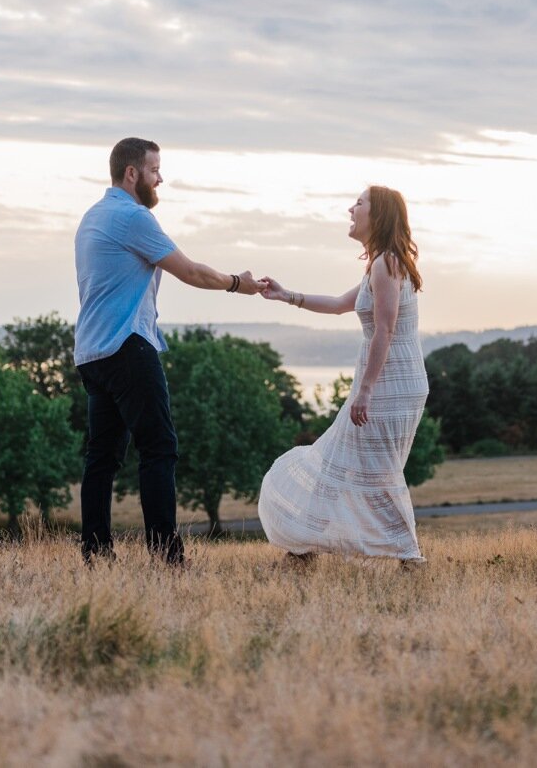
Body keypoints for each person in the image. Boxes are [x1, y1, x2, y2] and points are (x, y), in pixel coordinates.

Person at [74, 137, 259, 564]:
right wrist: (238, 283)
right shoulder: (132, 217)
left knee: (101, 458)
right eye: (156, 170)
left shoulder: (93, 216)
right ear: (132, 173)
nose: (161, 178)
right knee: (159, 448)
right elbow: (191, 271)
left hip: (92, 352)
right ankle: (166, 555)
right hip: (127, 346)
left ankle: (96, 553)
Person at [255, 185, 429, 566]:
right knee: (341, 463)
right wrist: (287, 295)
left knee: (375, 471)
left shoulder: (387, 263)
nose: (351, 209)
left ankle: (408, 556)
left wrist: (365, 392)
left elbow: (385, 329)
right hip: (388, 383)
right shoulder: (381, 264)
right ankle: (304, 550)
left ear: (377, 214)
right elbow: (337, 305)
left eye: (359, 203)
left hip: (388, 386)